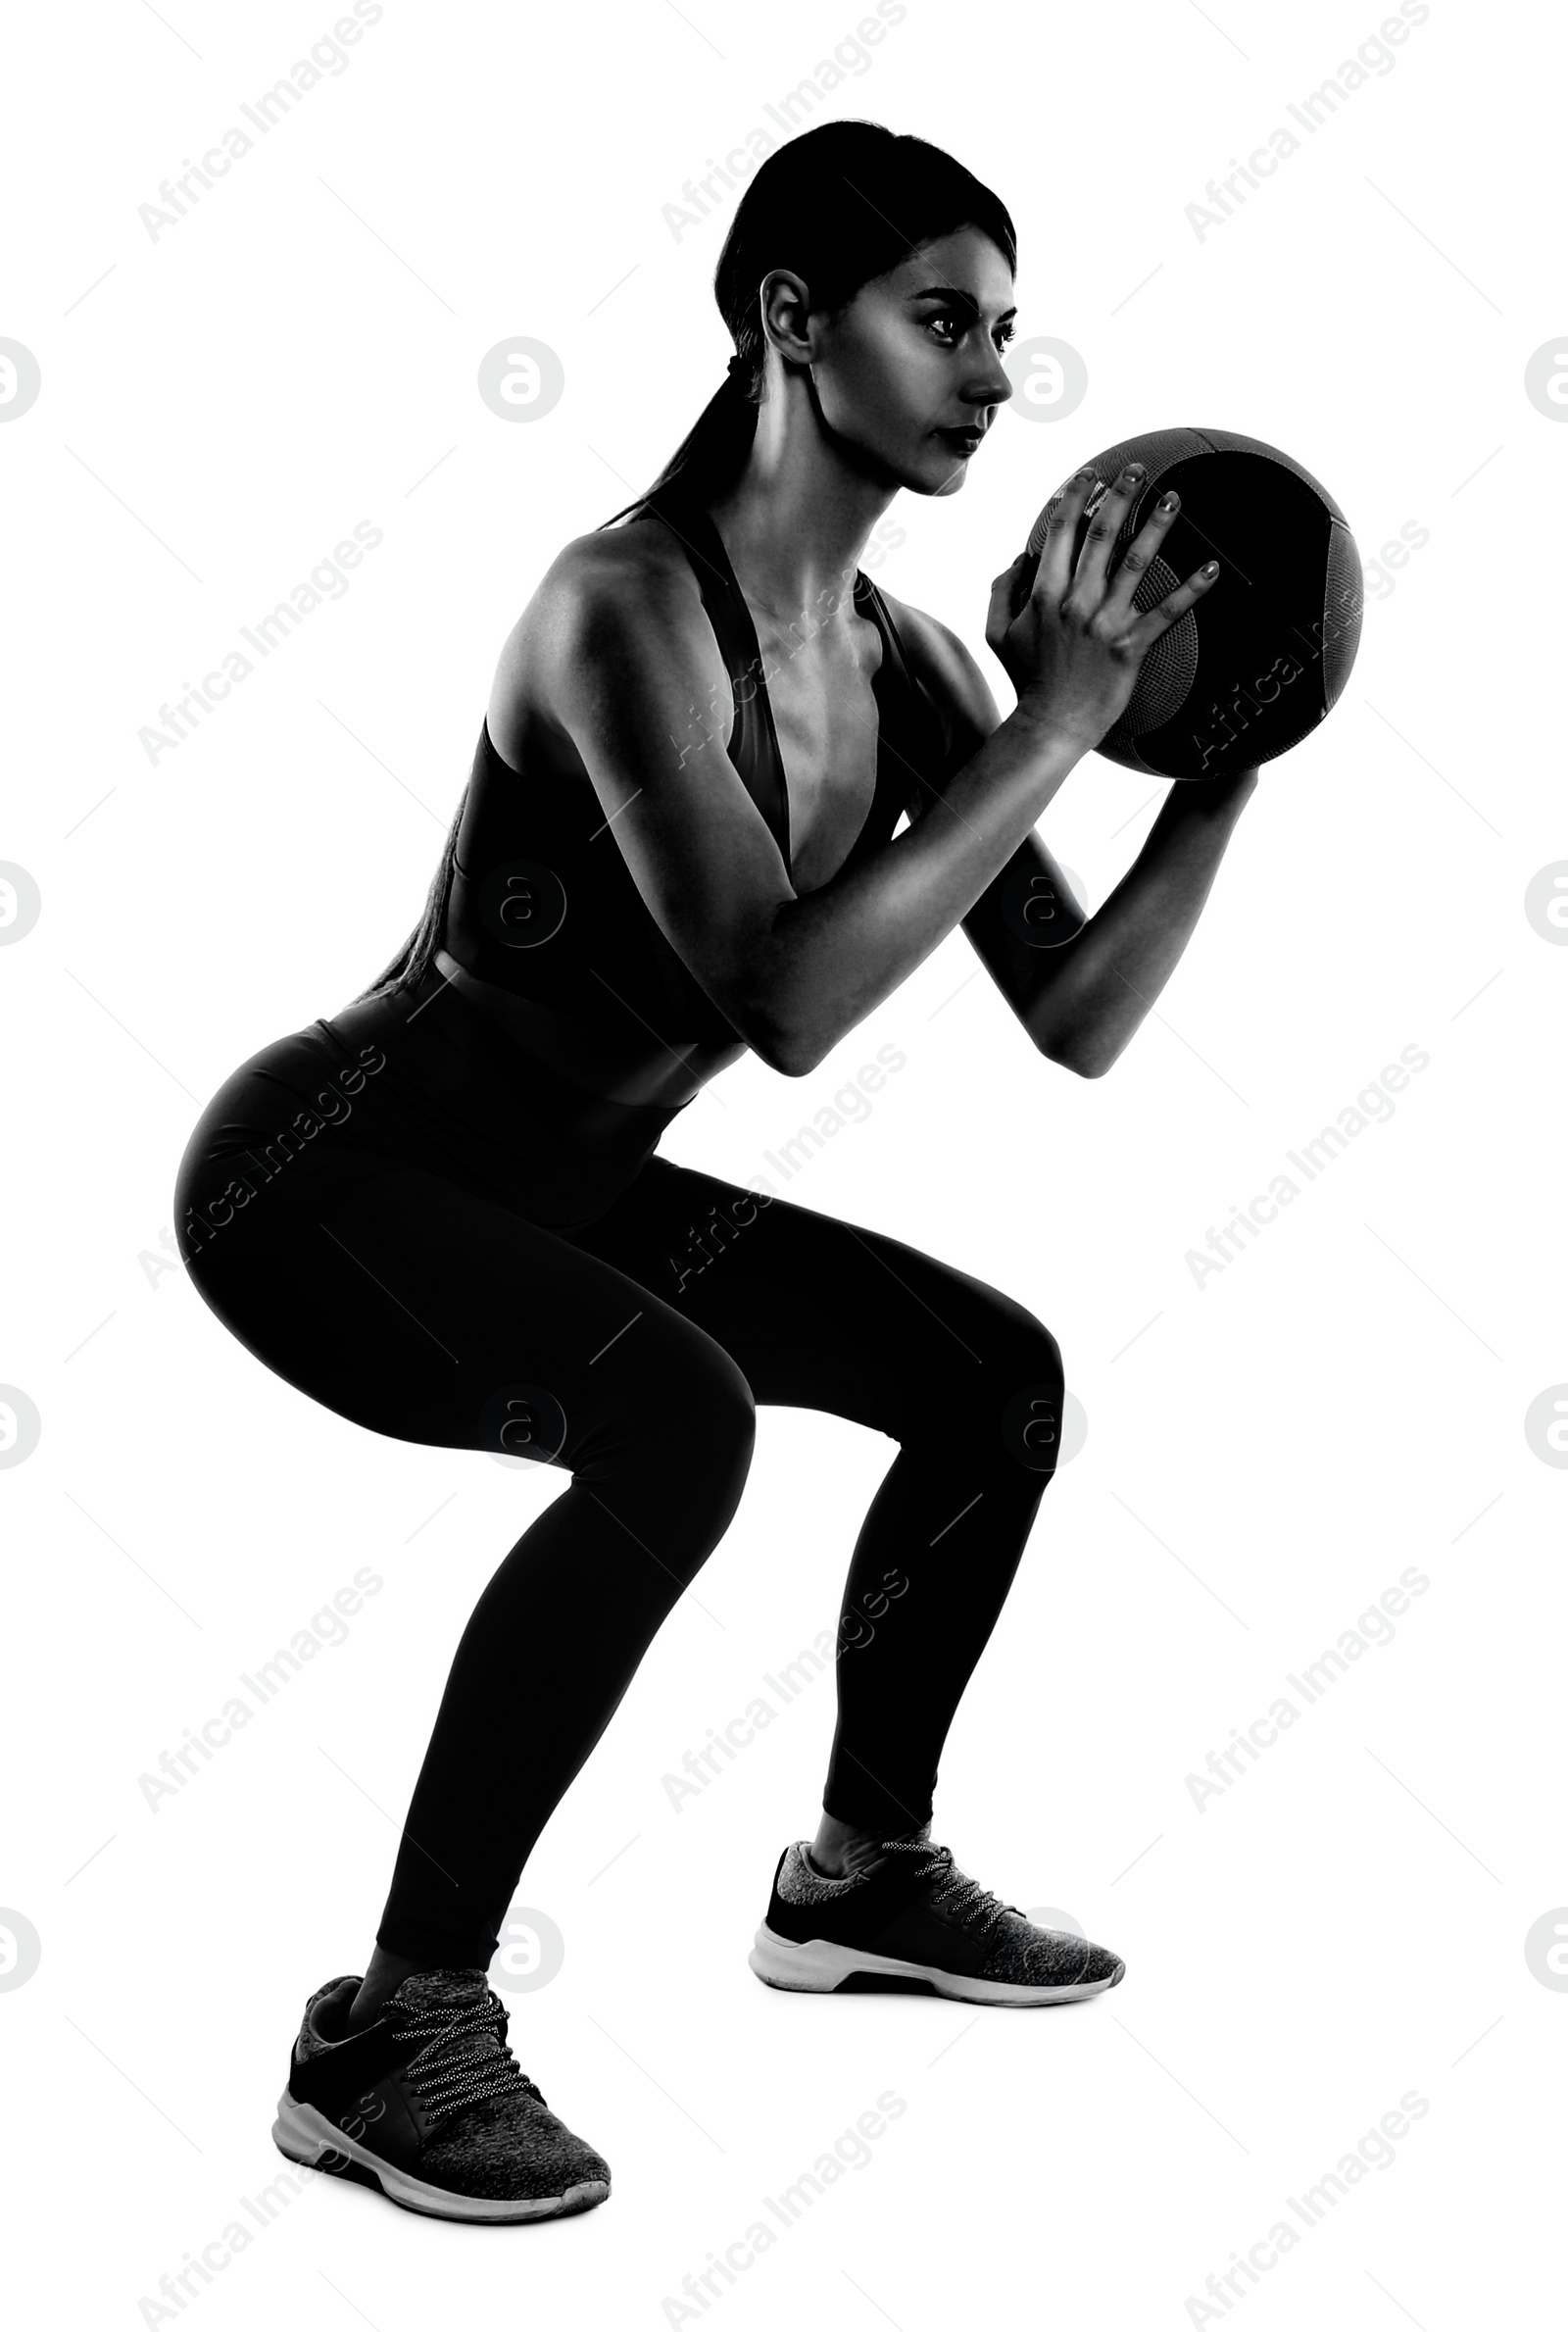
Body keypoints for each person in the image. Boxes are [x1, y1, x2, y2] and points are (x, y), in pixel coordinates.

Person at [173, 120, 1250, 2225]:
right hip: (326, 1181)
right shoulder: (617, 608)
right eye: (940, 318)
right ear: (786, 316)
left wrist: (1211, 761)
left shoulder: (917, 670)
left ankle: (860, 1875)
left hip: (563, 1192)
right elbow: (772, 989)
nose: (986, 373)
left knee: (989, 1379)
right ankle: (392, 2026)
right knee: (670, 1414)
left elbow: (1080, 1010)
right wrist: (1057, 724)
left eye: (1005, 334)